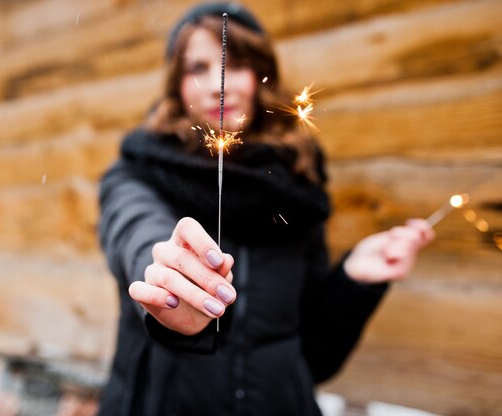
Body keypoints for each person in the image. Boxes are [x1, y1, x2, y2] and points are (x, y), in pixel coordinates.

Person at [97, 3, 434, 415]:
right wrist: (169, 275)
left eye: (235, 65)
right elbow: (135, 231)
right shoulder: (139, 172)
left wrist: (353, 281)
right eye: (197, 68)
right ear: (175, 84)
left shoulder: (295, 187)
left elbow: (312, 358)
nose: (218, 86)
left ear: (260, 75)